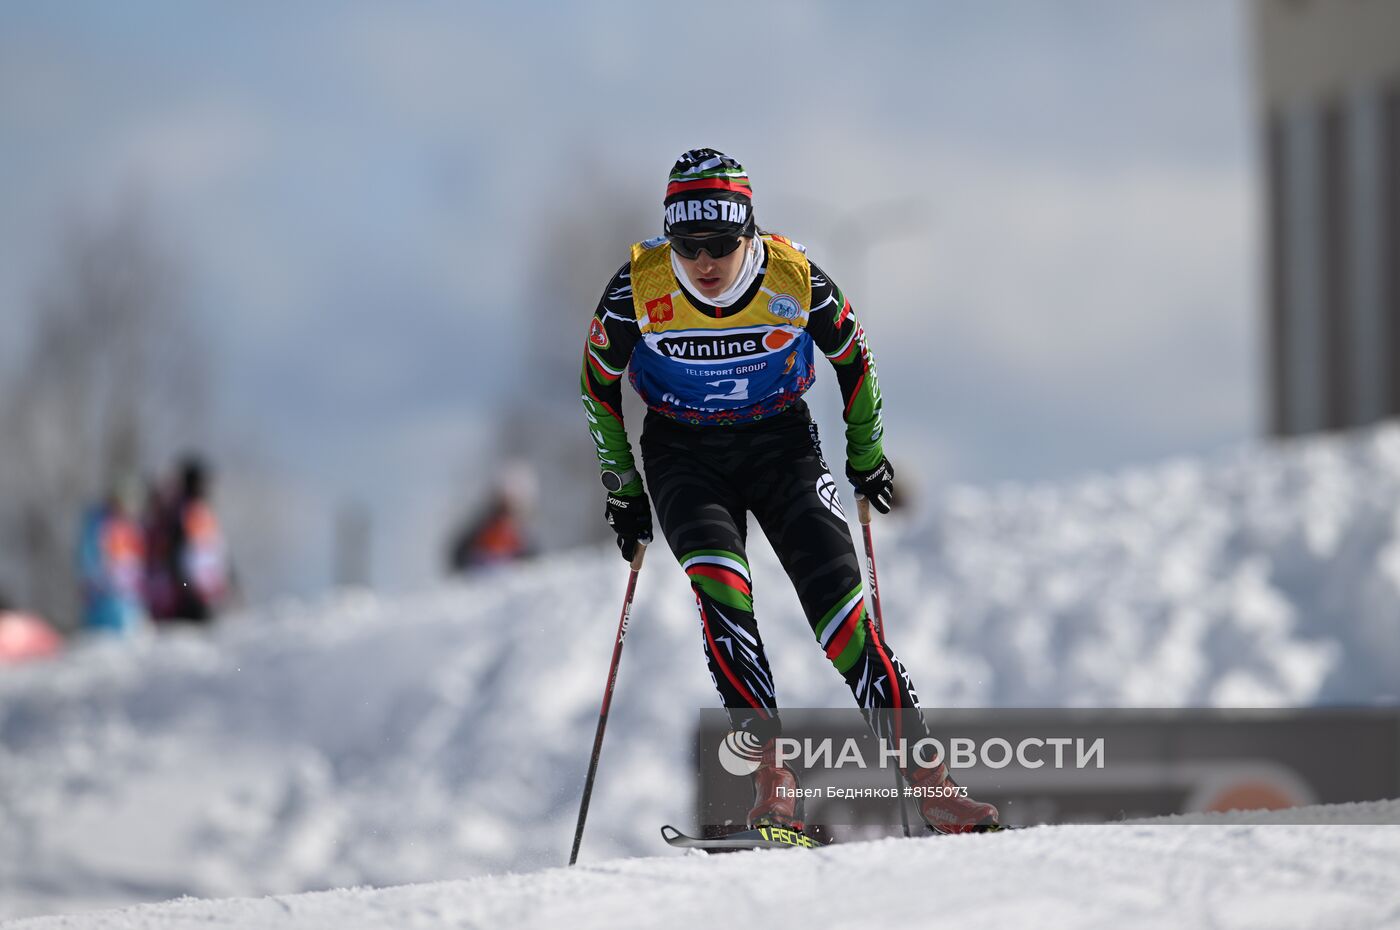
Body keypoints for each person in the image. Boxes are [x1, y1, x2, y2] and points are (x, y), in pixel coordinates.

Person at [580, 148, 999, 834]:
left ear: (751, 234)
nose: (705, 263)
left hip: (782, 446)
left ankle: (933, 784)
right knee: (723, 598)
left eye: (721, 244)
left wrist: (866, 455)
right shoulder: (638, 287)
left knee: (841, 619)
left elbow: (853, 358)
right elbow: (596, 384)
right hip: (685, 453)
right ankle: (774, 785)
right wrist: (623, 486)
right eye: (688, 246)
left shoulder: (794, 277)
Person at [78, 475, 150, 637]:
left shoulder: (133, 526)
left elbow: (138, 561)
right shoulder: (98, 523)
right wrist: (98, 584)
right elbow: (88, 560)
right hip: (104, 599)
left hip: (131, 598)